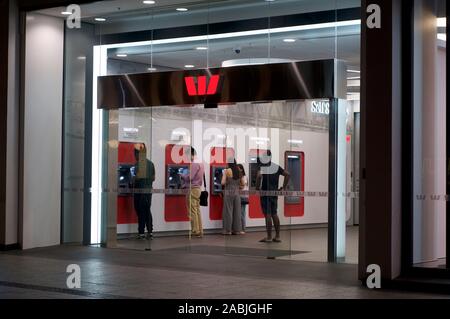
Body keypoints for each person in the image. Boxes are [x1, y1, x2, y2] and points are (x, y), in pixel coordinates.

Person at [256, 150, 290, 243]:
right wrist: (283, 188)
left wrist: (257, 188)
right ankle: (278, 236)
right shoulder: (276, 167)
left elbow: (259, 177)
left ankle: (269, 237)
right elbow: (287, 174)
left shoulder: (263, 167)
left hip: (265, 193)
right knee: (274, 214)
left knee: (267, 215)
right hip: (274, 193)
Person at [133, 143, 155, 240]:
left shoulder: (139, 164)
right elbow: (154, 178)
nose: (135, 156)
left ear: (138, 154)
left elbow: (137, 178)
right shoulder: (151, 163)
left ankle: (141, 233)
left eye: (135, 153)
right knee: (147, 211)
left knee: (141, 211)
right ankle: (150, 232)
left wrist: (133, 179)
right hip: (149, 191)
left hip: (140, 192)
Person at [182, 147, 205, 238]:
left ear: (191, 154)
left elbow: (190, 177)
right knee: (197, 211)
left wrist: (182, 176)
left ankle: (195, 230)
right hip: (198, 189)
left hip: (192, 189)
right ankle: (200, 230)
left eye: (187, 156)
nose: (187, 158)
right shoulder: (201, 163)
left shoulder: (194, 164)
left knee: (192, 211)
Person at [221, 159, 243, 235]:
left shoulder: (226, 171)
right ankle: (236, 230)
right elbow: (242, 185)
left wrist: (227, 181)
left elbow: (222, 182)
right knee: (237, 211)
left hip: (228, 192)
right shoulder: (239, 171)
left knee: (228, 211)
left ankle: (228, 230)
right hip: (236, 193)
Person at [237, 164, 249, 234]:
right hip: (244, 196)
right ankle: (242, 228)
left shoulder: (243, 177)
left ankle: (243, 229)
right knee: (242, 213)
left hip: (243, 196)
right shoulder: (244, 177)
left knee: (242, 213)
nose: (237, 170)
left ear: (241, 169)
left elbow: (242, 186)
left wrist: (234, 186)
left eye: (238, 168)